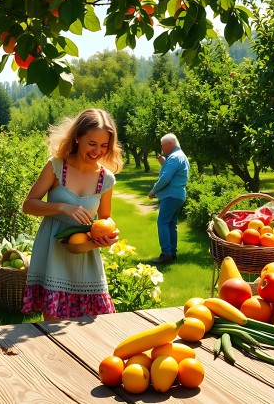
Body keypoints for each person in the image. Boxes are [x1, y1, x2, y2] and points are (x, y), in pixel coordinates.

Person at [21, 109, 123, 320]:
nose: (98, 151)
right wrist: (62, 207)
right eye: (92, 143)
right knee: (52, 325)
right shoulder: (56, 166)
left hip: (85, 252)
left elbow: (105, 216)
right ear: (77, 138)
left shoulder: (106, 179)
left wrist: (110, 232)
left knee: (93, 323)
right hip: (52, 251)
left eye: (104, 145)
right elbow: (29, 205)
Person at [148, 133, 190, 264]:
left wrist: (153, 191)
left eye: (162, 146)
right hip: (177, 195)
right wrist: (164, 163)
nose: (161, 148)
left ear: (170, 144)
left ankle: (166, 254)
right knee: (171, 224)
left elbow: (165, 178)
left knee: (163, 223)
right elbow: (175, 173)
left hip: (170, 195)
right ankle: (172, 252)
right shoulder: (179, 156)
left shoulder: (174, 157)